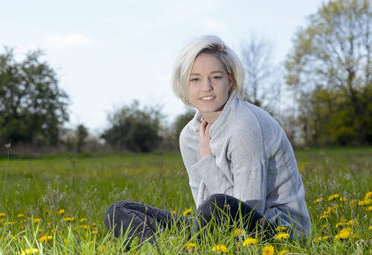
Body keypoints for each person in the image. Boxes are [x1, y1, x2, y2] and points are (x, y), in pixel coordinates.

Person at [104, 35, 311, 249]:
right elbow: (200, 203)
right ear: (184, 85)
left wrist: (207, 162)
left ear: (229, 80)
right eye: (195, 79)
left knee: (217, 205)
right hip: (219, 222)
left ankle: (191, 249)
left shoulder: (245, 125)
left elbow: (248, 206)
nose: (207, 87)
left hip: (278, 231)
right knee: (119, 211)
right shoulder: (189, 136)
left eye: (216, 77)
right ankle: (158, 250)